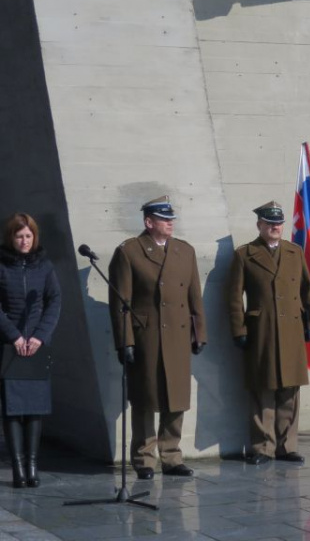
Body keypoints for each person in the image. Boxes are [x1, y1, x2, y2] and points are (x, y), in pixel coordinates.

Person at [108, 196, 207, 479]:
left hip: (177, 333)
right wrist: (125, 341)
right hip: (146, 336)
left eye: (171, 219)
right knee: (144, 399)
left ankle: (172, 457)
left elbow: (194, 297)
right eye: (164, 219)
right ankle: (144, 460)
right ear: (148, 222)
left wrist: (199, 332)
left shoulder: (184, 251)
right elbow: (121, 303)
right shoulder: (130, 251)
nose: (170, 223)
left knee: (176, 397)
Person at [227, 201, 310, 465]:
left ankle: (287, 446)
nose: (275, 227)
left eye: (278, 223)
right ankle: (263, 448)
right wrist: (239, 330)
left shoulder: (294, 252)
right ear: (259, 226)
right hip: (262, 331)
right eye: (269, 223)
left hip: (291, 329)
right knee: (262, 390)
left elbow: (307, 291)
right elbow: (234, 297)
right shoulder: (245, 254)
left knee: (290, 391)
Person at [0, 213, 61, 488]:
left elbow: (54, 301)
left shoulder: (44, 266)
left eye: (28, 236)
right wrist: (13, 335)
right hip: (8, 346)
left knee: (35, 407)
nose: (24, 241)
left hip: (36, 345)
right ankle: (18, 468)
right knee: (13, 409)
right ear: (10, 238)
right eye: (19, 236)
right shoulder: (2, 265)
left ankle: (33, 464)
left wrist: (40, 336)